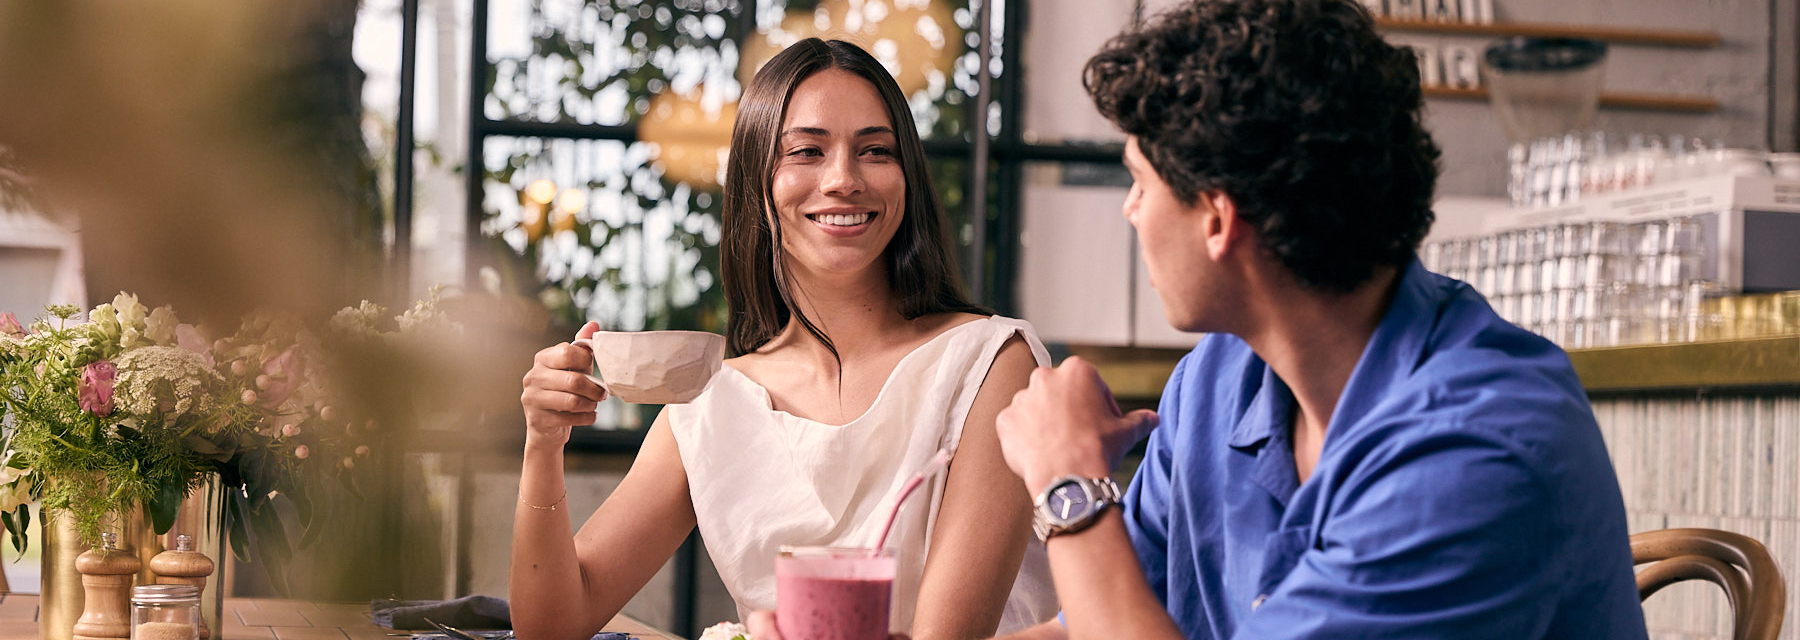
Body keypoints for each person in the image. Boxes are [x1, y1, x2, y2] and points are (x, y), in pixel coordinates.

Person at [753, 1, 1648, 638]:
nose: (1130, 213)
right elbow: (1094, 624)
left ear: (1217, 218)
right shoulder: (1221, 381)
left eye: (1140, 184)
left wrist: (1069, 487)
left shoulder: (1475, 455)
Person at [512, 38, 1058, 640]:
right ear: (758, 183)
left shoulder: (989, 364)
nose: (843, 179)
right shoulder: (712, 401)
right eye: (807, 151)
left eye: (876, 150)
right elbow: (551, 627)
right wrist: (543, 445)